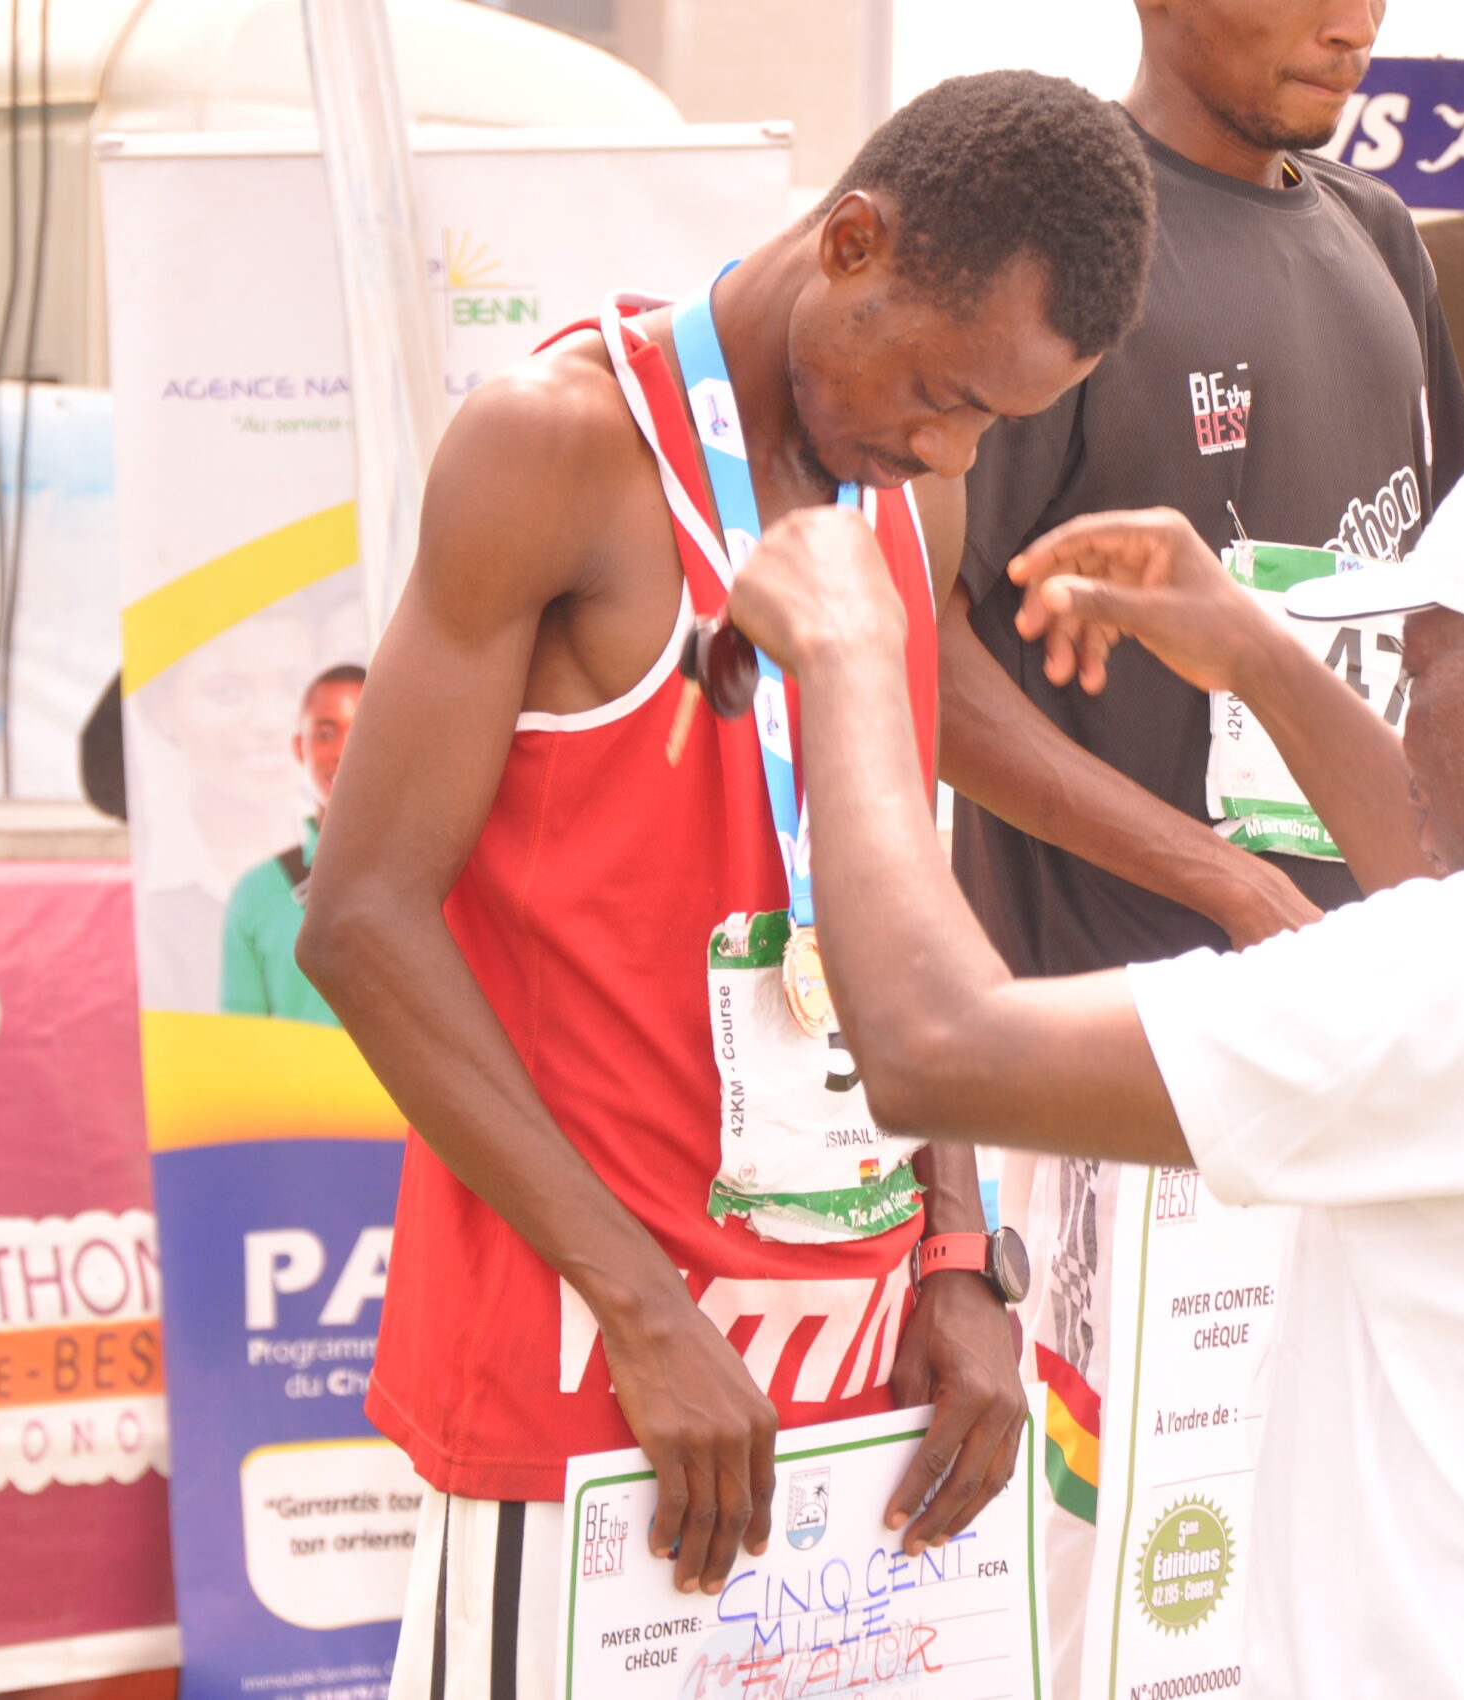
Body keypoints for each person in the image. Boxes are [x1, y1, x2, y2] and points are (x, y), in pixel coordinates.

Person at [725, 407, 1464, 1698]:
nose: (1406, 730)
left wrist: (857, 655)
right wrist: (1255, 653)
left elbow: (934, 1048)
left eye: (1419, 673)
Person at [295, 72, 1157, 1700]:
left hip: (858, 1360)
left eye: (992, 422)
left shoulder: (912, 490)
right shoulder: (558, 444)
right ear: (852, 241)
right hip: (601, 1366)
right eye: (941, 390)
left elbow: (896, 887)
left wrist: (960, 1253)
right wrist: (639, 1309)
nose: (951, 446)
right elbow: (361, 920)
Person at [941, 0, 1464, 1650]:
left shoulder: (1380, 236)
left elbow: (1446, 619)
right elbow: (915, 656)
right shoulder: (1060, 246)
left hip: (1368, 1061)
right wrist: (1223, 880)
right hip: (1126, 1082)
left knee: (1324, 1609)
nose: (1352, 20)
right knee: (1116, 1619)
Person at [219, 662, 362, 1025]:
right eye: (325, 733)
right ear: (300, 747)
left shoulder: (435, 880)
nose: (343, 750)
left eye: (363, 730)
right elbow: (242, 1043)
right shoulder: (258, 894)